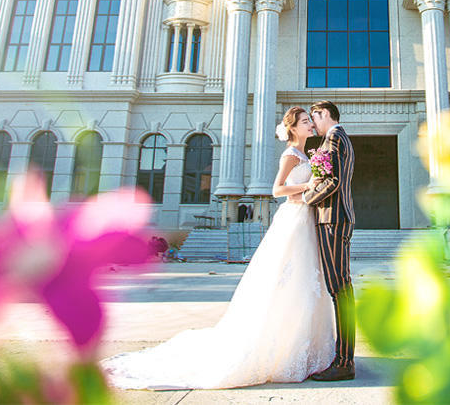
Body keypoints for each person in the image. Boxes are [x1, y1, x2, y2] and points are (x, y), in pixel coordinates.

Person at [100, 107, 335, 390]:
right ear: (293, 128)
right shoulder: (290, 155)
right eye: (306, 121)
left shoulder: (306, 154)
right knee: (288, 280)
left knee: (305, 282)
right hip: (293, 219)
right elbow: (276, 190)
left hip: (305, 220)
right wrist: (310, 184)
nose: (311, 124)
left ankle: (304, 348)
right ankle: (280, 349)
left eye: (311, 120)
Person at [302, 100, 356, 381]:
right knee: (340, 290)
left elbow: (332, 181)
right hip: (335, 217)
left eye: (315, 117)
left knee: (340, 291)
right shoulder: (339, 137)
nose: (314, 124)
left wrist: (306, 199)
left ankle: (345, 362)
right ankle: (343, 358)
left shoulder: (334, 137)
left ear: (325, 115)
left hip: (333, 219)